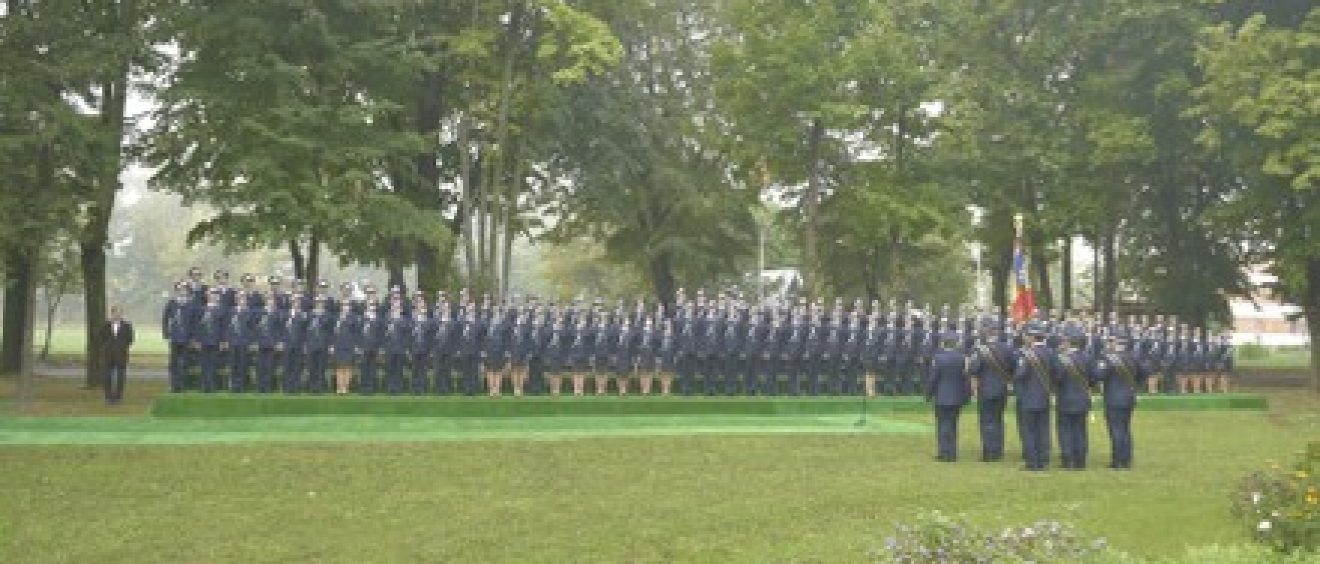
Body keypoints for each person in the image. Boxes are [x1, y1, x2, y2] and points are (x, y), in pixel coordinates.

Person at [1096, 334, 1148, 469]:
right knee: (1125, 428)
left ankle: (1118, 460)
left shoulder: (1108, 358)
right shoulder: (1134, 357)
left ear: (1115, 343)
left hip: (1113, 398)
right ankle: (1127, 459)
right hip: (1129, 397)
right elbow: (1144, 373)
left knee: (1116, 430)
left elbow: (1099, 375)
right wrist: (1136, 387)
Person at [970, 323, 1016, 462]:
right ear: (997, 333)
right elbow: (1013, 367)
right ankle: (998, 450)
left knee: (986, 420)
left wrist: (974, 388)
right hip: (1002, 389)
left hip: (985, 389)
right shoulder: (1007, 348)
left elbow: (974, 369)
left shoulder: (980, 350)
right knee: (998, 419)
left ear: (986, 333)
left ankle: (989, 451)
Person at [1015, 324, 1057, 471]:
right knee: (1043, 429)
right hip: (1045, 396)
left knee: (1029, 431)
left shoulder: (1028, 355)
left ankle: (1032, 462)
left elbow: (1020, 374)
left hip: (1028, 397)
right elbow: (1056, 373)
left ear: (1033, 337)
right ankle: (1044, 460)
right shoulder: (1051, 353)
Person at [925, 332, 971, 462]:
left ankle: (945, 452)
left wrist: (928, 394)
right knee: (953, 424)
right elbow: (966, 378)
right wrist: (966, 395)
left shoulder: (938, 358)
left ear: (943, 343)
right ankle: (952, 451)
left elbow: (933, 378)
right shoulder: (963, 358)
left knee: (943, 424)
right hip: (957, 396)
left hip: (942, 396)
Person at [1055, 334, 1096, 470]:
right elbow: (1093, 379)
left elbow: (1057, 379)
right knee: (1080, 430)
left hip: (1065, 398)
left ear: (1068, 343)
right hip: (1082, 398)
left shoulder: (1062, 359)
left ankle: (1068, 460)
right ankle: (1081, 460)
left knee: (1065, 430)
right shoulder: (1087, 358)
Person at [102, 305, 135, 405]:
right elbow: (101, 338)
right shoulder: (106, 325)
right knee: (107, 376)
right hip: (108, 354)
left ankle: (118, 397)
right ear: (112, 313)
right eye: (116, 312)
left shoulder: (127, 325)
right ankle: (108, 397)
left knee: (121, 376)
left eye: (120, 312)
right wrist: (107, 347)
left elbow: (130, 339)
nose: (118, 314)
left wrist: (122, 346)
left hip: (121, 354)